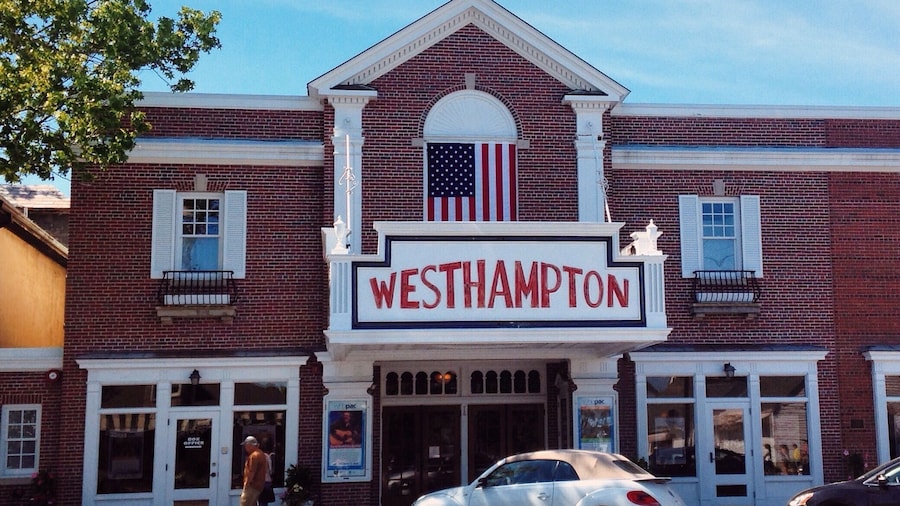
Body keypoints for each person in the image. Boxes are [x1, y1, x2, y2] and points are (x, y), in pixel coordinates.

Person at [240, 436, 267, 506]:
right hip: (258, 485)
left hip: (252, 485)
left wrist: (247, 484)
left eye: (246, 445)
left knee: (245, 503)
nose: (245, 448)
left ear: (250, 445)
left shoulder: (254, 456)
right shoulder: (260, 453)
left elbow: (251, 471)